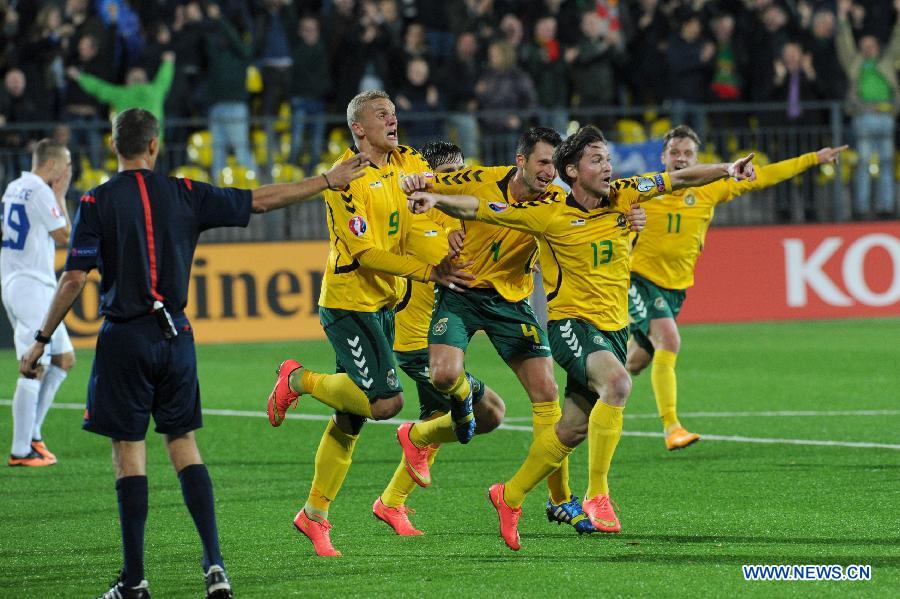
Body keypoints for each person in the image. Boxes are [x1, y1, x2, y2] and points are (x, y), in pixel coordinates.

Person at [18, 107, 369, 598]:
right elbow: (261, 201)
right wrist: (328, 180)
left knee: (128, 453)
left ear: (114, 147)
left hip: (125, 337)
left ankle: (135, 579)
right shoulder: (185, 192)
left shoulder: (96, 200)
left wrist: (40, 338)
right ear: (155, 146)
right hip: (176, 336)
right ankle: (215, 566)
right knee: (183, 445)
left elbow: (75, 277)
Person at [407, 125, 756, 549]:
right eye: (596, 160)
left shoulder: (628, 195)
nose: (608, 166)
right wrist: (437, 199)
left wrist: (727, 169)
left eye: (607, 158)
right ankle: (598, 496)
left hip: (612, 327)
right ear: (570, 170)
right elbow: (481, 208)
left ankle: (510, 495)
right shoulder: (549, 214)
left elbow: (679, 179)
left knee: (571, 430)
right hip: (571, 325)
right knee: (619, 382)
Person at [265, 90, 472, 558]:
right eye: (382, 115)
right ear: (359, 128)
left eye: (395, 113)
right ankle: (297, 378)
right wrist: (427, 271)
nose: (393, 120)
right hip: (349, 304)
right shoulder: (347, 178)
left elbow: (436, 195)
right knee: (386, 403)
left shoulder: (408, 162)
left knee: (350, 417)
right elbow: (365, 254)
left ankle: (314, 515)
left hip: (383, 303)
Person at [398, 128, 595, 536]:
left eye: (554, 165)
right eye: (542, 162)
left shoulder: (558, 199)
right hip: (462, 294)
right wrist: (422, 192)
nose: (549, 172)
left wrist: (632, 217)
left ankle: (560, 500)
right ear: (520, 161)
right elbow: (423, 185)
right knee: (445, 376)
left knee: (547, 393)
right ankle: (421, 434)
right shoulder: (479, 178)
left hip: (511, 302)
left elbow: (597, 210)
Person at [625, 125, 847, 450]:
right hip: (637, 279)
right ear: (663, 157)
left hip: (675, 287)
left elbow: (766, 175)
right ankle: (672, 427)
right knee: (669, 339)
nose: (681, 159)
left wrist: (815, 158)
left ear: (697, 159)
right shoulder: (646, 188)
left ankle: (591, 396)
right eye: (675, 152)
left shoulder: (710, 189)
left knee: (636, 361)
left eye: (687, 153)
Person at [374, 141, 506, 536]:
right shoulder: (410, 218)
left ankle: (391, 503)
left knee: (436, 424)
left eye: (461, 172)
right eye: (449, 174)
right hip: (415, 345)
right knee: (491, 412)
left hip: (439, 341)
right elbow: (383, 260)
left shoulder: (461, 219)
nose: (458, 180)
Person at [2, 139, 74, 467]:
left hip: (23, 282)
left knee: (63, 358)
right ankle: (20, 451)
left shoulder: (15, 186)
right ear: (56, 167)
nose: (70, 172)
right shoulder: (42, 191)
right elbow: (65, 236)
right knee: (34, 366)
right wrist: (60, 194)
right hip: (31, 286)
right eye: (68, 165)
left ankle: (33, 434)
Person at [836, 0, 900, 218]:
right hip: (863, 117)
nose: (867, 49)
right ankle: (861, 209)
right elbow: (844, 43)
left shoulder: (887, 61)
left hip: (886, 117)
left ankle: (886, 207)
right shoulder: (855, 64)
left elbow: (897, 40)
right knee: (862, 164)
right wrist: (843, 17)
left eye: (870, 46)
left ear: (877, 47)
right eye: (863, 46)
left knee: (887, 163)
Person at [67, 52, 175, 143]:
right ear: (145, 80)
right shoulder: (156, 91)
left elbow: (98, 88)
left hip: (129, 146)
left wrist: (79, 76)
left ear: (127, 81)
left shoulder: (120, 94)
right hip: (152, 144)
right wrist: (168, 62)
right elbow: (164, 79)